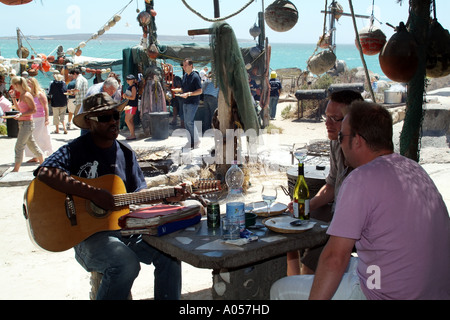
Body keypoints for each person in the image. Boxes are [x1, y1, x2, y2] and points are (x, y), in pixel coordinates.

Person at [271, 101, 450, 300]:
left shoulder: (361, 179)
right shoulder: (414, 170)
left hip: (387, 294)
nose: (339, 143)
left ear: (357, 140)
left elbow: (334, 258)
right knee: (344, 266)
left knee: (281, 289)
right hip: (434, 289)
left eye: (341, 136)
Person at [34, 92, 184, 300]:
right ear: (89, 122)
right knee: (125, 264)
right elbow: (45, 172)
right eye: (105, 118)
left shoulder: (125, 152)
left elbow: (138, 194)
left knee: (171, 253)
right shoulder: (75, 150)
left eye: (115, 116)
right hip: (87, 236)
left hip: (125, 229)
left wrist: (167, 197)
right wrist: (93, 193)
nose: (113, 121)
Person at [287, 90, 364, 276]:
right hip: (336, 208)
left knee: (317, 249)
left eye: (335, 118)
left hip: (353, 219)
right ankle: (292, 280)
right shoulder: (335, 142)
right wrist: (306, 206)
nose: (327, 124)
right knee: (290, 225)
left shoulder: (361, 151)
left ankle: (306, 280)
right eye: (326, 117)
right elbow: (330, 186)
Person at [8, 76, 44, 172]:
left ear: (16, 85)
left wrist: (21, 114)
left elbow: (33, 110)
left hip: (27, 124)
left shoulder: (27, 95)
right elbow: (19, 109)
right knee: (32, 145)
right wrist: (13, 98)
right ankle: (43, 164)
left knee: (19, 146)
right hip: (24, 123)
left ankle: (16, 169)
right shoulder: (23, 95)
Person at [172, 58, 202, 148]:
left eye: (185, 65)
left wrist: (189, 94)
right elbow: (183, 89)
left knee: (189, 122)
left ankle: (196, 140)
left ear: (191, 66)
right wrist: (178, 90)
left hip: (193, 102)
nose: (184, 67)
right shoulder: (185, 76)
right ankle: (191, 141)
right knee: (186, 122)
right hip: (185, 102)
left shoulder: (195, 77)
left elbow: (200, 91)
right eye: (183, 65)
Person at [24, 77, 52, 162]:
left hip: (40, 118)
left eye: (30, 83)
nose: (29, 85)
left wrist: (47, 118)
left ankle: (41, 155)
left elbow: (45, 106)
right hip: (31, 118)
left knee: (40, 137)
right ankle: (35, 156)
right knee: (32, 137)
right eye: (27, 83)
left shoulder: (40, 94)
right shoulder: (28, 94)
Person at [122, 74, 139, 140]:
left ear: (133, 80)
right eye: (127, 79)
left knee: (127, 120)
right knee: (130, 120)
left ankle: (132, 135)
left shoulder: (133, 87)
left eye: (129, 79)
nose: (128, 81)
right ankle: (132, 134)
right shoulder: (131, 86)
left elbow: (133, 97)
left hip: (132, 105)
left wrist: (126, 96)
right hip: (130, 105)